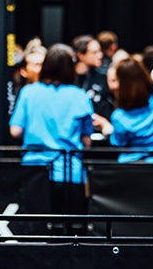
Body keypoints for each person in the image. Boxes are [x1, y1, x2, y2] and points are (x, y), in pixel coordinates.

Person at [9, 43, 93, 208]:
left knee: (36, 228)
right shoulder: (80, 96)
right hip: (70, 174)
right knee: (69, 228)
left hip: (35, 171)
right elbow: (87, 142)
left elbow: (15, 131)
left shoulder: (29, 92)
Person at [92, 56, 153, 163]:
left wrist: (106, 127)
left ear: (123, 85)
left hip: (131, 168)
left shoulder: (119, 116)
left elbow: (118, 143)